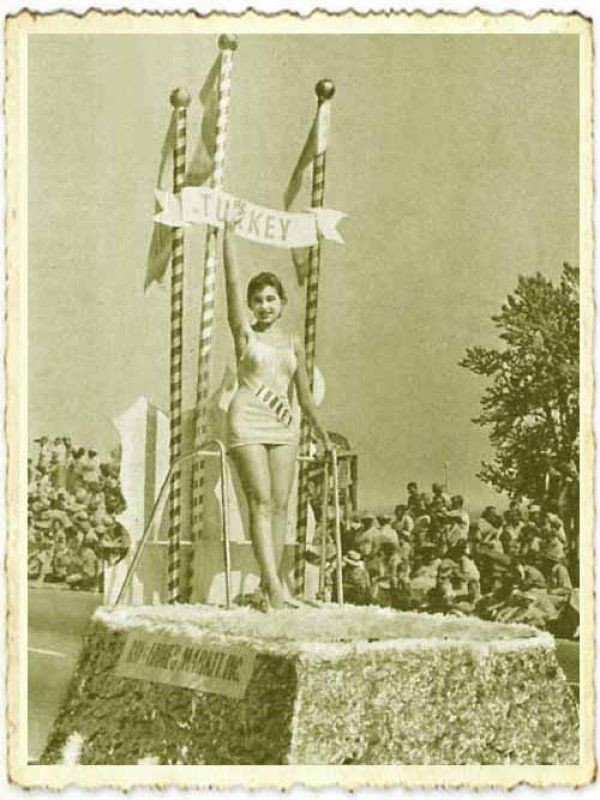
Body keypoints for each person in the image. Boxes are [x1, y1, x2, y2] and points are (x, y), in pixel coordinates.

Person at [222, 215, 331, 610]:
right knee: (262, 502)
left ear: (282, 303)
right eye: (258, 300)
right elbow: (232, 286)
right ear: (250, 306)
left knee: (283, 504)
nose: (264, 305)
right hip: (247, 420)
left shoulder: (293, 342)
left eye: (271, 299)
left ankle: (273, 587)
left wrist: (320, 432)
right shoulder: (245, 334)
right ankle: (274, 588)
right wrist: (228, 239)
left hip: (284, 424)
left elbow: (304, 395)